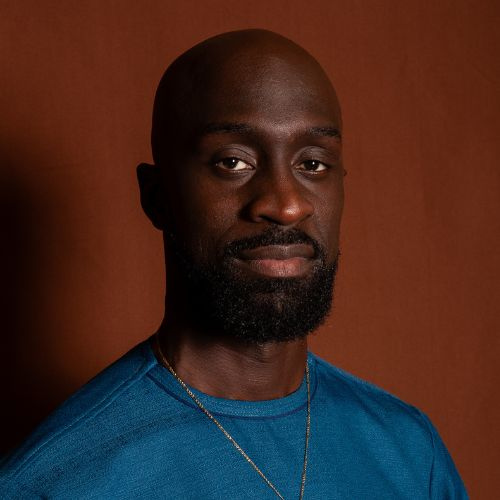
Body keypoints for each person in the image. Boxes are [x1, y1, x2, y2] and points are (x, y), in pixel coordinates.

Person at [1, 29, 467, 499]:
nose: (286, 205)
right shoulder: (57, 483)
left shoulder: (411, 454)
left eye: (312, 164)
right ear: (157, 197)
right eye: (233, 162)